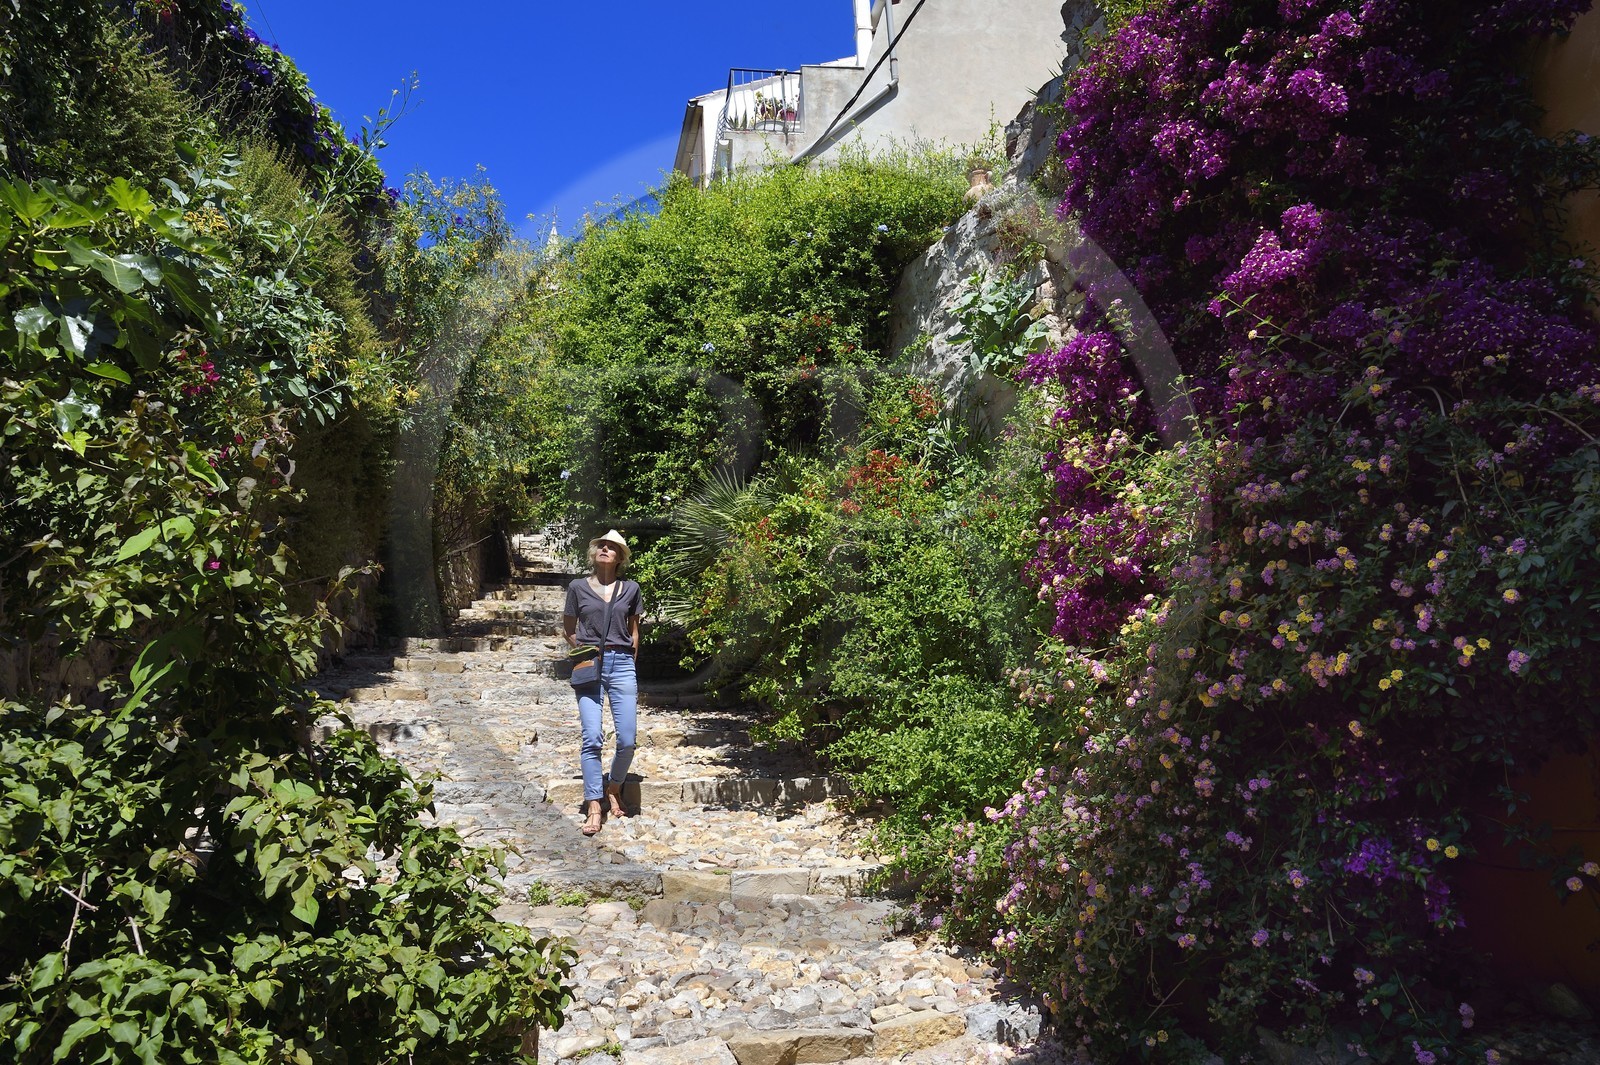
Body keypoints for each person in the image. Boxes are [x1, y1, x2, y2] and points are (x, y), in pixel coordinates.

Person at [562, 529, 643, 836]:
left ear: (620, 557)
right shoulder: (577, 587)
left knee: (626, 740)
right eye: (602, 545)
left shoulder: (631, 588)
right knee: (592, 736)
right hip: (589, 664)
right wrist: (581, 651)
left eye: (613, 547)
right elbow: (569, 627)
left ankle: (614, 786)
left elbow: (634, 631)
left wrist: (630, 663)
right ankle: (595, 805)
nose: (606, 549)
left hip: (622, 664)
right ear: (595, 553)